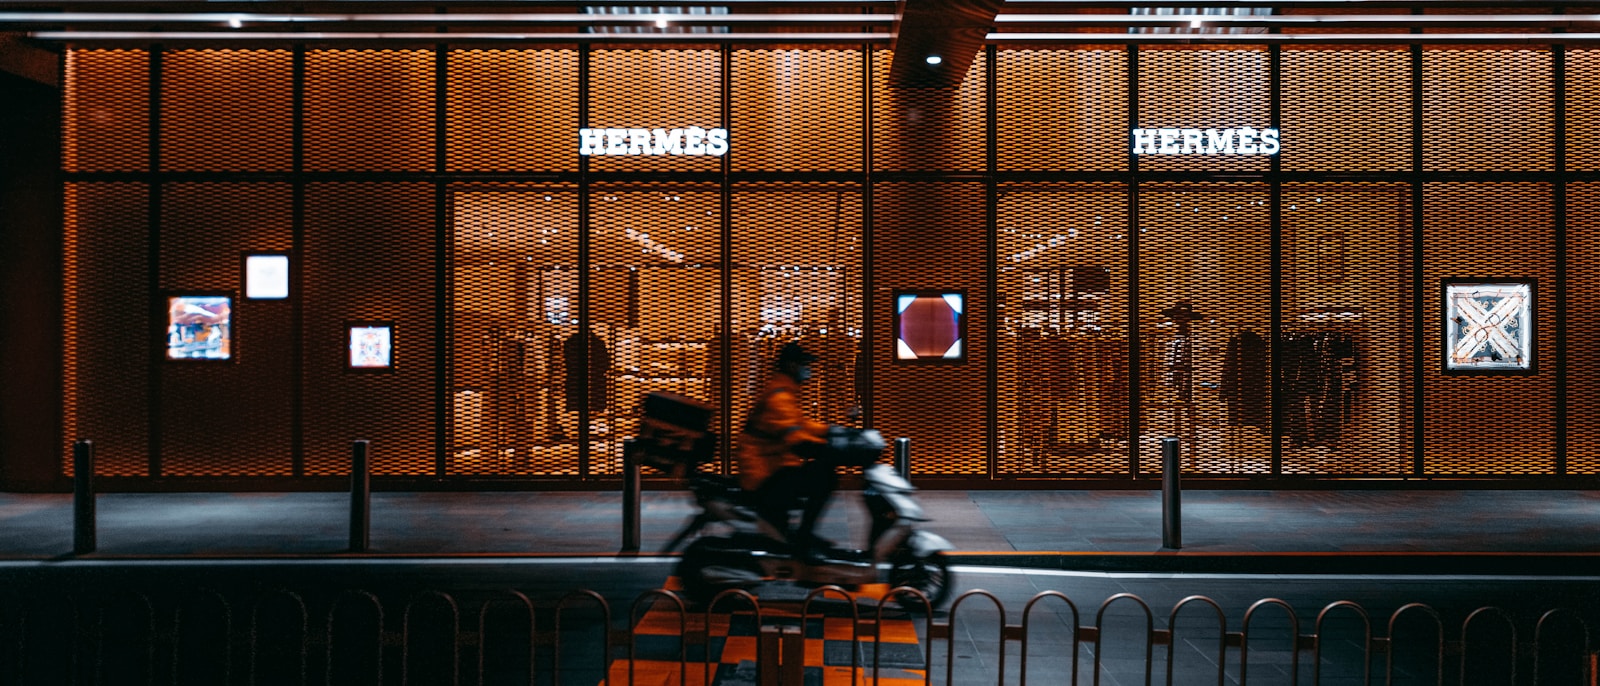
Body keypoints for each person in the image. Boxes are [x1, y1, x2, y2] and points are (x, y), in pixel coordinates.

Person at [738, 342, 837, 554]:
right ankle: (804, 535)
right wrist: (826, 447)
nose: (807, 369)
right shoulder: (779, 397)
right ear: (791, 366)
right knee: (824, 477)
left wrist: (831, 431)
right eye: (804, 364)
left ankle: (799, 534)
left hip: (774, 466)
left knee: (819, 474)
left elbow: (800, 423)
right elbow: (795, 437)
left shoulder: (784, 391)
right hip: (763, 474)